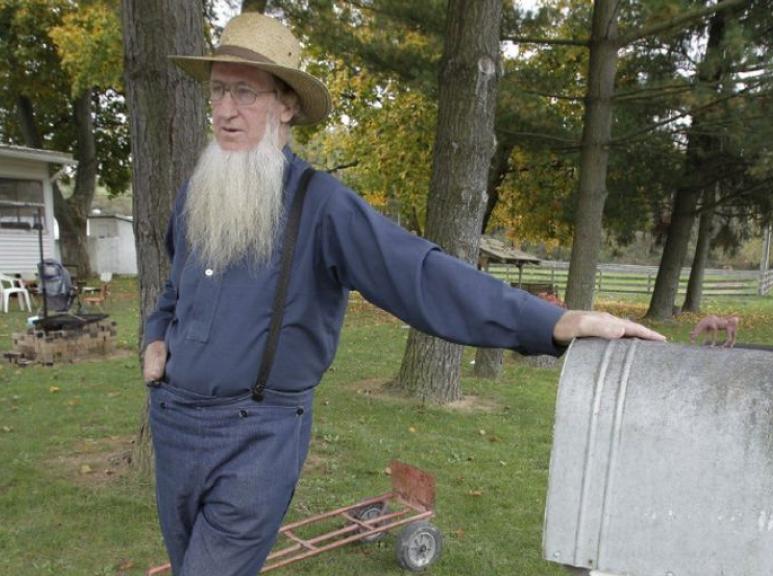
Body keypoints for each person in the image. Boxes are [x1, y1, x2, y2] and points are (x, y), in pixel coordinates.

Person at [142, 13, 664, 575]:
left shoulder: (322, 206)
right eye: (218, 90)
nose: (225, 110)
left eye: (245, 92)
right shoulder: (199, 190)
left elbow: (422, 275)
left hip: (255, 438)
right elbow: (177, 287)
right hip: (174, 427)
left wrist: (552, 323)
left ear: (286, 104)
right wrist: (155, 336)